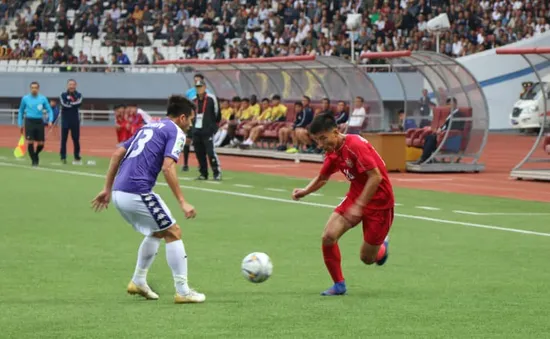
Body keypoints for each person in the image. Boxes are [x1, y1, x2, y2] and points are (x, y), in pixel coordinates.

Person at [91, 95, 206, 304]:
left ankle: (138, 281)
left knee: (158, 231)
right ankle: (183, 291)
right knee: (174, 231)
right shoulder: (176, 131)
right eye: (190, 119)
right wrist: (182, 201)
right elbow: (168, 166)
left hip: (119, 192)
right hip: (137, 191)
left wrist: (107, 189)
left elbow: (117, 153)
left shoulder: (148, 127)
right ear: (182, 117)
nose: (190, 123)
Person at [292, 113, 394, 296]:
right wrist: (305, 191)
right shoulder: (333, 153)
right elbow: (323, 177)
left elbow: (376, 177)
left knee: (367, 258)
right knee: (328, 236)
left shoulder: (354, 145)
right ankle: (339, 285)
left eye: (323, 139)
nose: (321, 145)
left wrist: (359, 206)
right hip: (356, 195)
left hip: (380, 201)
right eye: (317, 141)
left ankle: (382, 246)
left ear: (336, 132)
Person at [415, 97, 466, 164]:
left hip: (450, 137)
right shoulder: (451, 114)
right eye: (448, 104)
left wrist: (441, 131)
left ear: (456, 104)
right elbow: (446, 125)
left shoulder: (458, 115)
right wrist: (440, 129)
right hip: (444, 135)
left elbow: (454, 128)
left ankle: (424, 158)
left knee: (431, 138)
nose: (450, 106)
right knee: (428, 137)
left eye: (452, 104)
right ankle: (427, 158)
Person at [17, 81, 54, 166]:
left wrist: (50, 120)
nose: (34, 89)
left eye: (36, 88)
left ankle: (36, 154)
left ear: (38, 89)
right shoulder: (25, 98)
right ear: (30, 88)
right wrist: (20, 123)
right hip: (29, 121)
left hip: (39, 122)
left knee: (41, 143)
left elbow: (49, 110)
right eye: (32, 87)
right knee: (30, 141)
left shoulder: (43, 99)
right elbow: (21, 111)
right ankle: (34, 161)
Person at [192, 79, 222, 180]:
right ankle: (203, 173)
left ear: (205, 87)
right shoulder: (194, 100)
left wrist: (213, 127)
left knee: (210, 152)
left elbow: (217, 113)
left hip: (208, 130)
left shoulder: (211, 99)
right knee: (199, 153)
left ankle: (216, 172)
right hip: (197, 131)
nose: (199, 89)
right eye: (197, 87)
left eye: (200, 87)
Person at [183, 73, 213, 171]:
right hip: (192, 120)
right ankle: (185, 164)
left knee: (201, 144)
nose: (196, 81)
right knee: (187, 141)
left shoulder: (207, 92)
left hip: (202, 121)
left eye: (198, 80)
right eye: (195, 80)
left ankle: (201, 164)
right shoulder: (189, 92)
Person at [59, 79, 83, 164]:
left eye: (73, 84)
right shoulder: (63, 95)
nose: (71, 86)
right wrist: (72, 104)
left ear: (75, 85)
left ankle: (77, 156)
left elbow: (78, 103)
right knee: (63, 139)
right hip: (65, 120)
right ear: (67, 85)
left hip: (75, 120)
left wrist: (70, 103)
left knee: (76, 139)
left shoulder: (79, 95)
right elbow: (63, 104)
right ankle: (63, 156)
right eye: (70, 84)